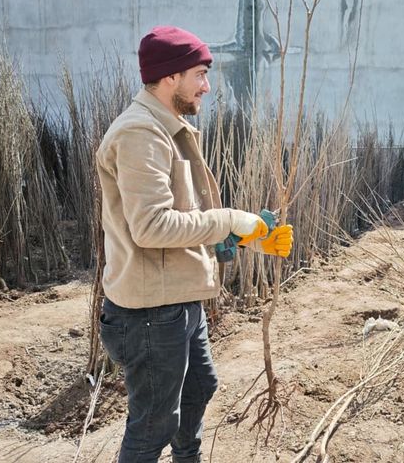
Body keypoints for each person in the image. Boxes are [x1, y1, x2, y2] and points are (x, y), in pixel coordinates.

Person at [95, 26, 294, 463]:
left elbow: (185, 221)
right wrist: (228, 219)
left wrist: (247, 238)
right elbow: (151, 227)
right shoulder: (140, 134)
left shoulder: (170, 127)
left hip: (178, 301)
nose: (207, 85)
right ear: (170, 77)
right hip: (149, 312)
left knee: (200, 387)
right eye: (200, 74)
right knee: (152, 428)